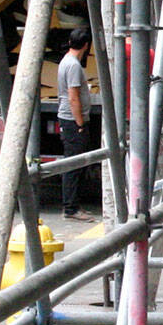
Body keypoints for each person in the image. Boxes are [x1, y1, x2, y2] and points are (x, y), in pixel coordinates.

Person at [57, 27, 97, 222]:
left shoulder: (67, 60)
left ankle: (73, 206)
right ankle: (71, 208)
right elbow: (73, 97)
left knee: (75, 164)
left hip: (70, 119)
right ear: (86, 45)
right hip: (73, 120)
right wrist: (80, 123)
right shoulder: (73, 65)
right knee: (73, 165)